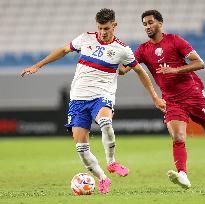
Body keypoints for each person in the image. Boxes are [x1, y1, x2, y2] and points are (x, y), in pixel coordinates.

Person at [21, 8, 166, 194]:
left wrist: (154, 96)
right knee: (81, 149)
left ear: (114, 25)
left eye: (106, 28)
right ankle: (103, 178)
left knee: (105, 122)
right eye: (99, 28)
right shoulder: (85, 38)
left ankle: (112, 163)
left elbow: (140, 71)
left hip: (102, 95)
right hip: (78, 99)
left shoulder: (122, 49)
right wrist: (37, 65)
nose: (103, 32)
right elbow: (64, 50)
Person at [119, 10, 205, 189]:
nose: (147, 27)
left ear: (160, 23)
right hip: (171, 100)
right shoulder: (142, 49)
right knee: (178, 137)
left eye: (150, 23)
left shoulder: (175, 40)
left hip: (193, 94)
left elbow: (199, 63)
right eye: (145, 24)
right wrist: (116, 58)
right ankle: (182, 174)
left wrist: (175, 70)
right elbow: (124, 70)